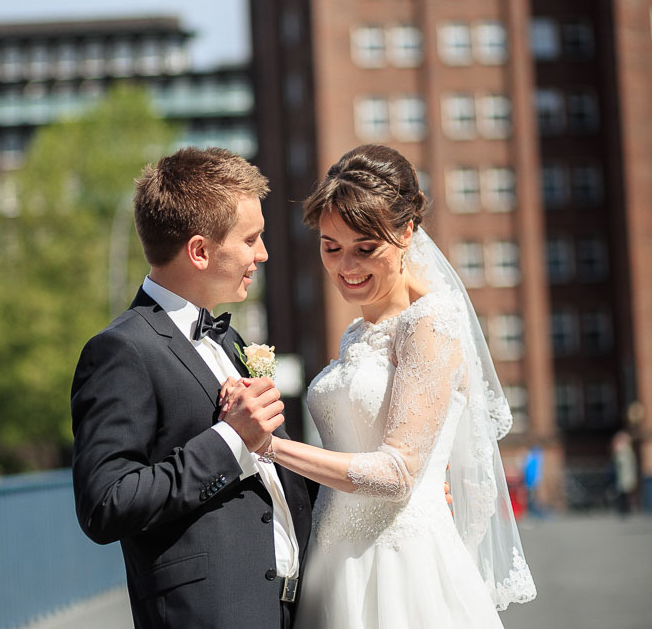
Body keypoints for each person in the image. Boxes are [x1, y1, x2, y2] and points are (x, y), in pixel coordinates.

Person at [222, 144, 536, 627]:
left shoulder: (431, 322)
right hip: (331, 561)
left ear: (407, 231)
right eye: (332, 247)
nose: (347, 266)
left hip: (402, 568)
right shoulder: (356, 333)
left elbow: (397, 474)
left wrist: (266, 446)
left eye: (365, 248)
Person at [71, 147, 314, 629]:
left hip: (292, 610)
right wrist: (230, 440)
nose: (262, 254)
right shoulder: (121, 351)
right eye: (251, 239)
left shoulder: (231, 339)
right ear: (200, 251)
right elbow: (105, 504)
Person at [611, 431, 638, 515]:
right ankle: (624, 509)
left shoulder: (624, 451)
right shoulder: (624, 451)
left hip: (625, 476)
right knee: (623, 493)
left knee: (625, 493)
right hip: (622, 476)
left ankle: (625, 509)